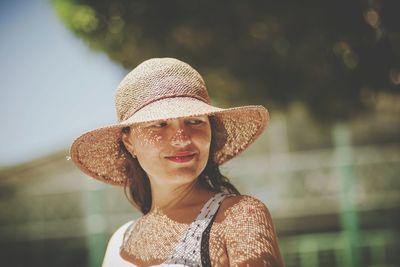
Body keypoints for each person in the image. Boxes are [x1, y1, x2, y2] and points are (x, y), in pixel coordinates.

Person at [70, 58, 284, 267]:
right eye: (159, 124)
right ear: (129, 142)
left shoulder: (238, 217)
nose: (182, 137)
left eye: (195, 121)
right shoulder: (119, 242)